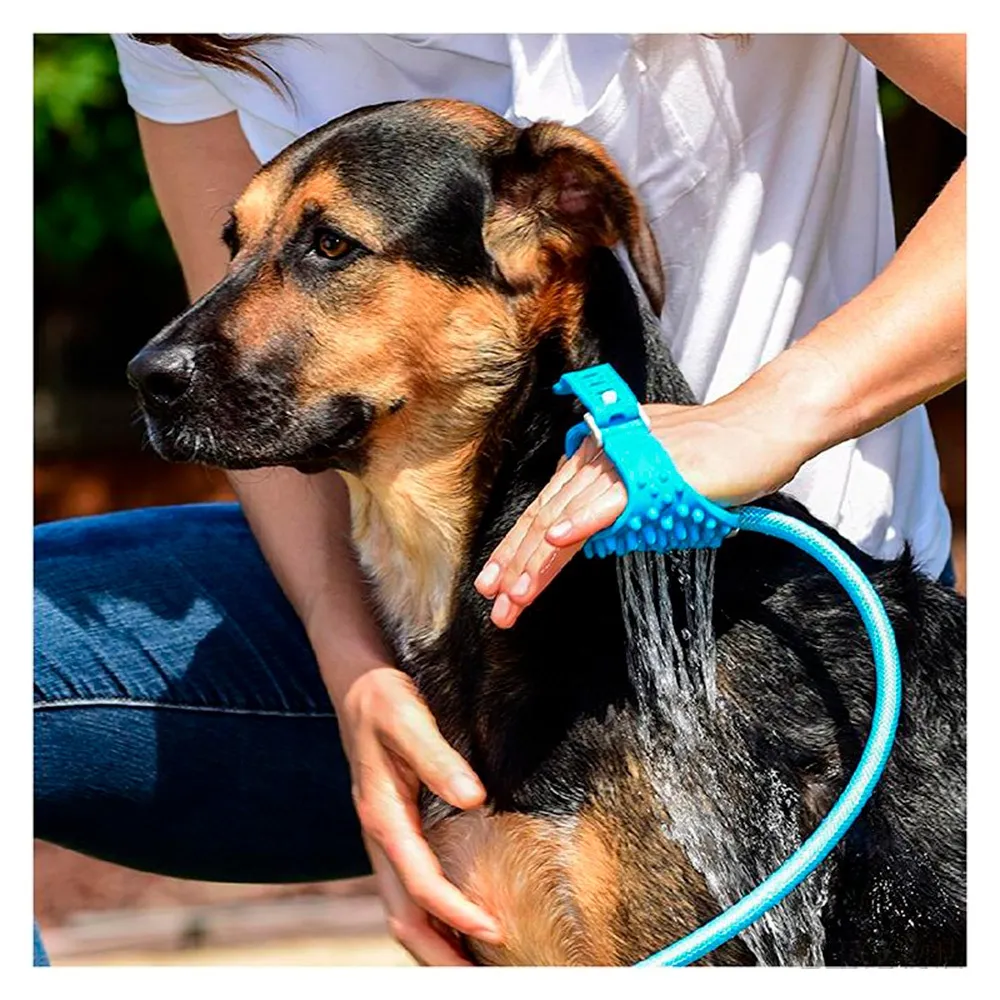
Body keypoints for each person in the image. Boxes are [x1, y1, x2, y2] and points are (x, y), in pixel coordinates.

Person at [34, 33, 965, 967]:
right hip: (388, 612)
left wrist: (777, 413)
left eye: (329, 247)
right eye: (261, 242)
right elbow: (228, 310)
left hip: (748, 598)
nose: (167, 356)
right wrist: (353, 665)